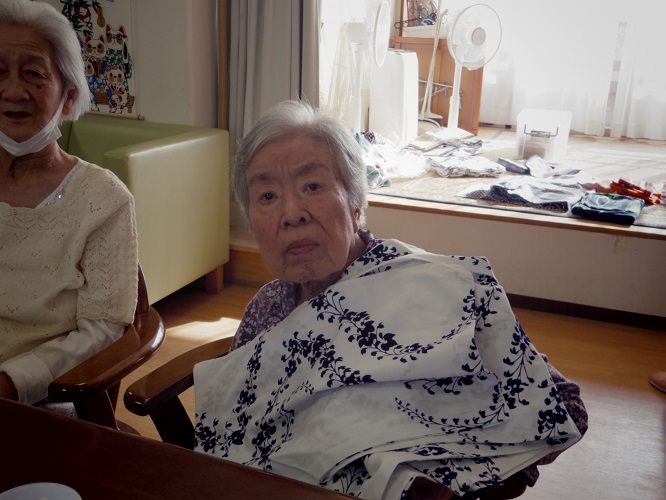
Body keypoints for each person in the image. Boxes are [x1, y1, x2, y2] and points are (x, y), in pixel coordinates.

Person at [192, 100, 587, 499]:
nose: (291, 213)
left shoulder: (433, 288)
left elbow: (564, 406)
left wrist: (456, 476)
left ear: (356, 202)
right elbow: (233, 423)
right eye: (267, 195)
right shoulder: (268, 308)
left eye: (312, 186)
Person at [0, 0, 138, 409]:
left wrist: (11, 383)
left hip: (45, 398)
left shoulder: (104, 199)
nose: (13, 90)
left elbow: (103, 331)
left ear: (68, 96)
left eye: (33, 73)